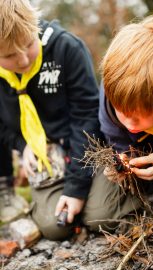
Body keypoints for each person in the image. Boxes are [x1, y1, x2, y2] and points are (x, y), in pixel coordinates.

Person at [82, 15, 153, 232]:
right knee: (98, 215)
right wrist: (124, 167)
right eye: (122, 111)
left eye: (138, 115)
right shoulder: (113, 89)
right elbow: (121, 144)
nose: (127, 122)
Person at [0, 0, 101, 240]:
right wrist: (22, 145)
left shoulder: (67, 48)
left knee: (100, 216)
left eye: (29, 45)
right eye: (9, 55)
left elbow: (87, 117)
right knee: (55, 227)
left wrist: (76, 187)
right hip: (46, 160)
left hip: (81, 150)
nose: (23, 61)